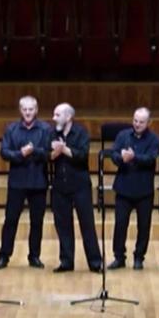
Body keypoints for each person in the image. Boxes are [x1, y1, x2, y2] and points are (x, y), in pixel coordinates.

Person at [0, 96, 51, 270]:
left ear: (36, 110)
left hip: (38, 181)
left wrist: (34, 152)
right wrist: (20, 154)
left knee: (37, 221)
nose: (28, 112)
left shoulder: (46, 129)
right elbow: (4, 152)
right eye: (25, 109)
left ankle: (34, 256)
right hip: (17, 182)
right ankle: (4, 255)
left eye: (31, 109)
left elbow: (49, 153)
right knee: (11, 220)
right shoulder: (11, 129)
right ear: (20, 110)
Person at [48, 103, 102, 273]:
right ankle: (66, 261)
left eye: (57, 115)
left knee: (87, 224)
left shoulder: (81, 133)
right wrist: (54, 153)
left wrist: (64, 149)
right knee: (63, 225)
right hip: (60, 185)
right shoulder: (52, 133)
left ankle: (95, 262)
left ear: (68, 117)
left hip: (80, 185)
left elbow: (82, 156)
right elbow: (46, 155)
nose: (54, 118)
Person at [108, 107, 159, 271]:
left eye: (141, 122)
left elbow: (150, 158)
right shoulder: (123, 135)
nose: (137, 124)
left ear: (149, 122)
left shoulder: (154, 139)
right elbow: (114, 154)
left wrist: (134, 157)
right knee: (120, 225)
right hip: (124, 187)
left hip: (144, 190)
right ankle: (119, 257)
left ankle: (139, 257)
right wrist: (121, 158)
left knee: (143, 226)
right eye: (135, 120)